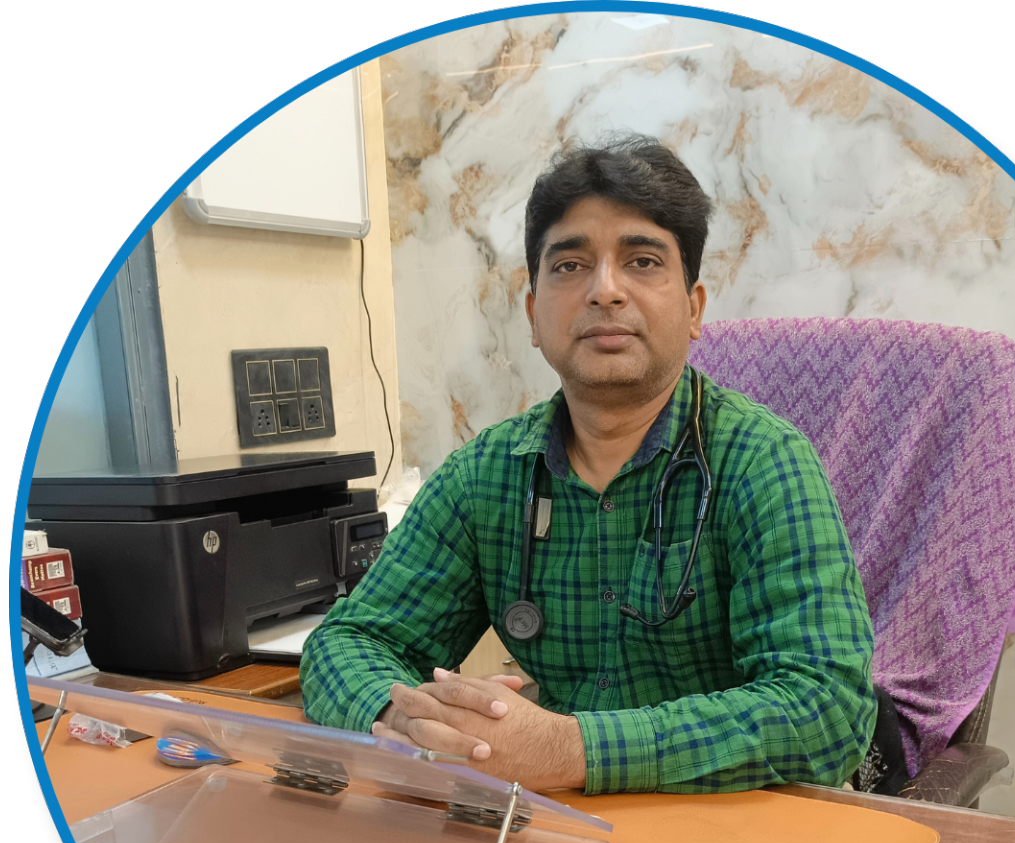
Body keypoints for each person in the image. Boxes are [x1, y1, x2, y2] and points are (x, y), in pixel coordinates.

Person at [301, 136, 877, 795]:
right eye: (570, 265)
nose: (605, 291)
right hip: (559, 826)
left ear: (693, 308)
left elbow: (828, 709)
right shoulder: (484, 476)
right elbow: (347, 643)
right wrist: (402, 719)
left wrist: (570, 749)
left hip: (733, 824)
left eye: (642, 261)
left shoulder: (763, 463)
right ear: (533, 314)